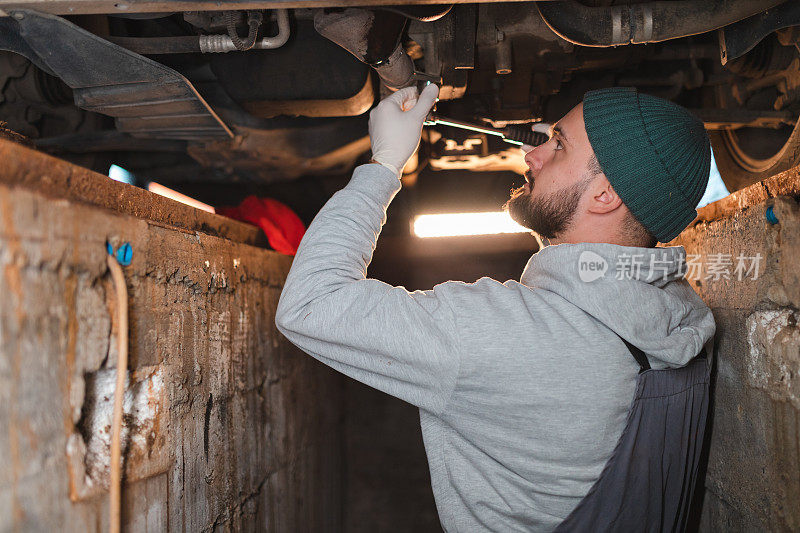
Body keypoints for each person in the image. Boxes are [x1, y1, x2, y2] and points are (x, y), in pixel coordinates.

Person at [275, 84, 717, 531]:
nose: (532, 155)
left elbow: (312, 302)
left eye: (557, 145)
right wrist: (559, 176)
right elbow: (588, 267)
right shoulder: (675, 312)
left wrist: (385, 164)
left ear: (604, 196)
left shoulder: (502, 334)